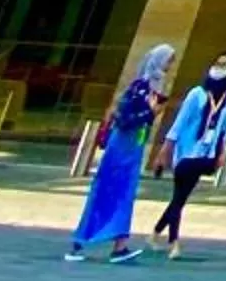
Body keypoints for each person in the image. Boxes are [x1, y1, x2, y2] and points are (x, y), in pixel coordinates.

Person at [66, 44, 175, 263]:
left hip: (134, 147)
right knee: (107, 191)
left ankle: (119, 246)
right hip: (121, 149)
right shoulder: (139, 86)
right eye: (169, 60)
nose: (171, 66)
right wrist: (150, 112)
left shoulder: (155, 87)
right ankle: (80, 243)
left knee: (125, 195)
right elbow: (125, 119)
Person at [151, 52, 226, 257]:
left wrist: (223, 153)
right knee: (180, 197)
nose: (219, 68)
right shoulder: (197, 93)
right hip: (187, 151)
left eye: (224, 65)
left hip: (207, 152)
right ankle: (173, 243)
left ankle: (155, 234)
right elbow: (179, 123)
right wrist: (165, 149)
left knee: (180, 197)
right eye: (217, 63)